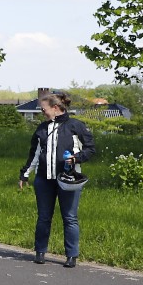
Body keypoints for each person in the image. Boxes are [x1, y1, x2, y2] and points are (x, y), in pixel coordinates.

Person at [19, 89, 95, 267]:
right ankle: (40, 252)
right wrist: (25, 174)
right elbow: (34, 154)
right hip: (44, 180)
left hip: (68, 180)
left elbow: (90, 149)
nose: (42, 112)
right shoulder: (41, 129)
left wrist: (76, 158)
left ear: (55, 108)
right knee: (44, 217)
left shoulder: (75, 126)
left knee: (70, 217)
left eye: (43, 109)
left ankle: (71, 256)